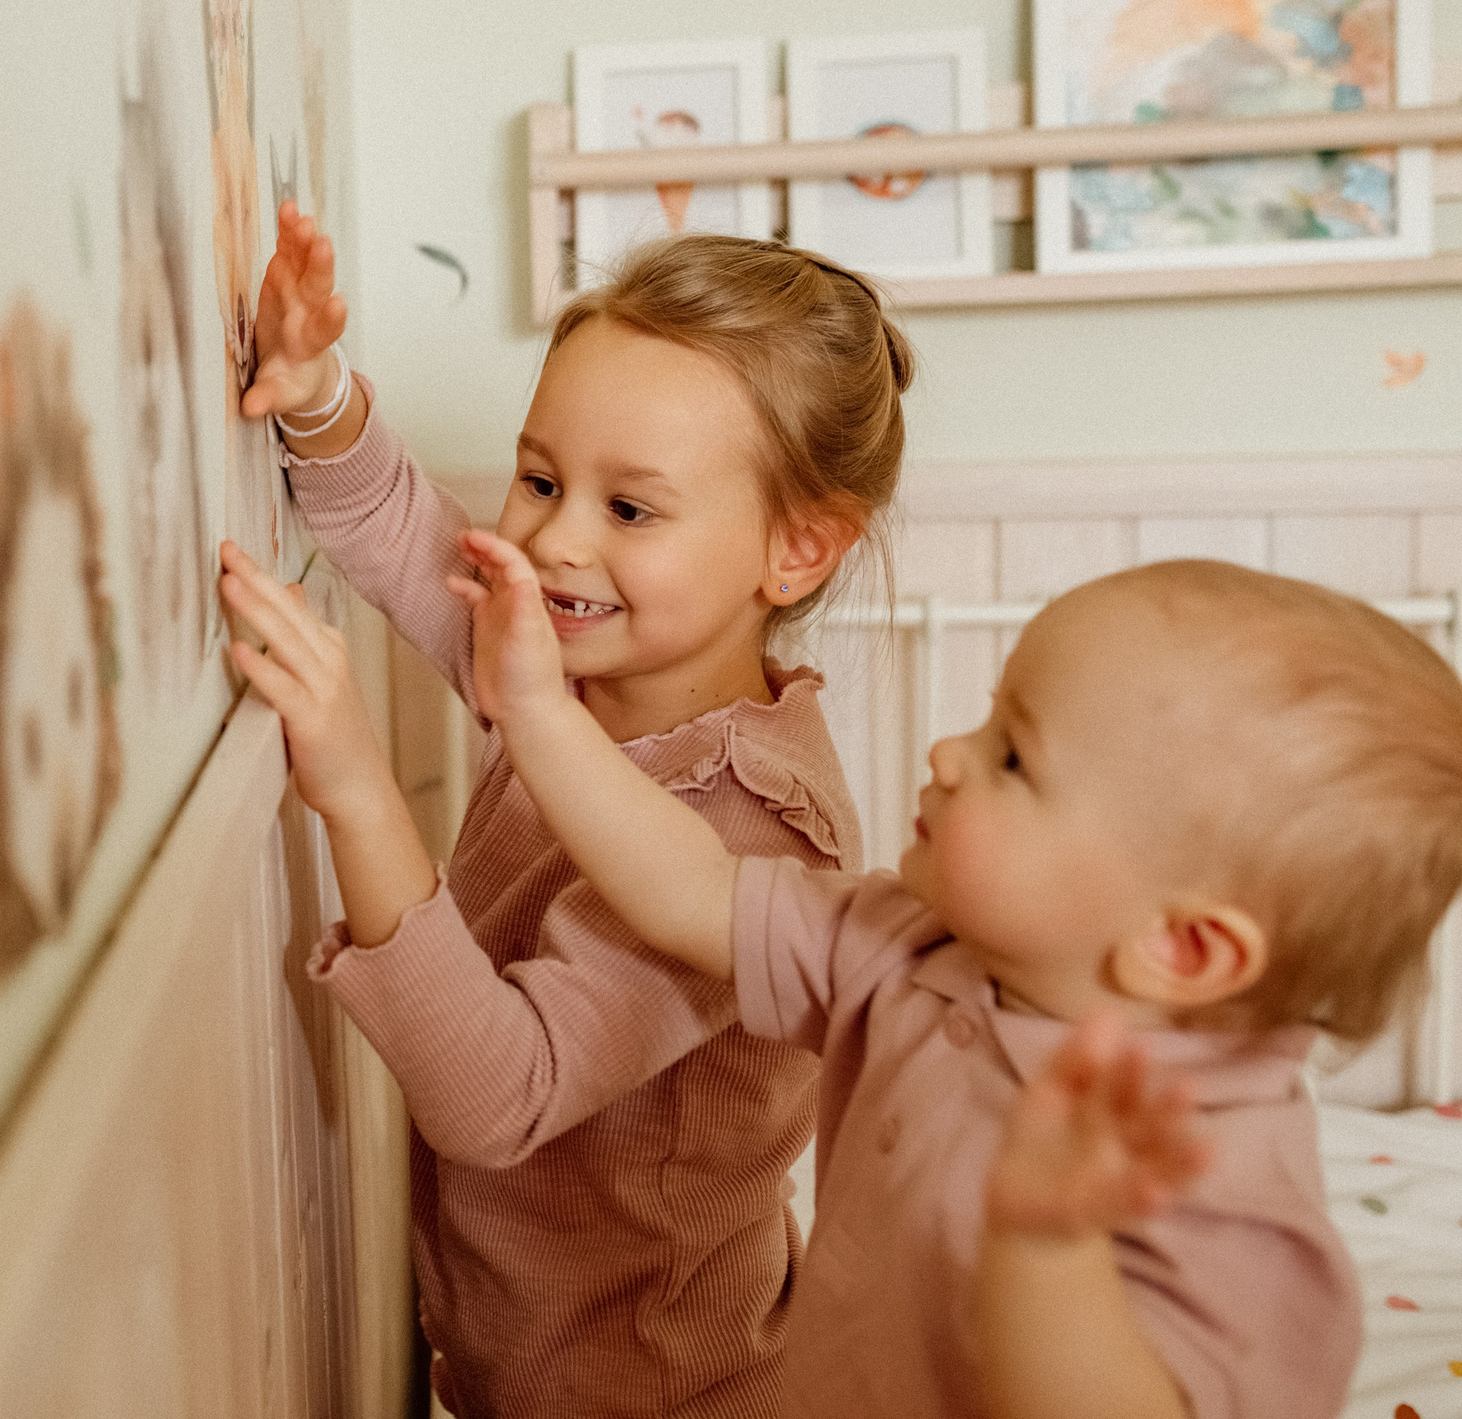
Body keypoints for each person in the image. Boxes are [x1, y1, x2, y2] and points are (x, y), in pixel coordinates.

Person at [385, 542, 1462, 1418]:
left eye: (1011, 758)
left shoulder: (1208, 1179)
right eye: (989, 719)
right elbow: (693, 888)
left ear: (1180, 948)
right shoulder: (906, 950)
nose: (949, 750)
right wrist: (539, 715)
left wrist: (1050, 1247)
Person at [219, 203, 911, 1417]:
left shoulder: (749, 830)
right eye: (539, 478)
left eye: (629, 510)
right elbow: (399, 529)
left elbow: (502, 1096)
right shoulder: (575, 672)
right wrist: (315, 392)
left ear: (795, 552)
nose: (549, 540)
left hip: (671, 1396)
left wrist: (356, 792)